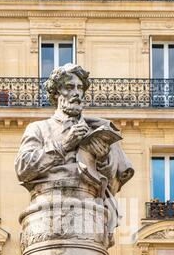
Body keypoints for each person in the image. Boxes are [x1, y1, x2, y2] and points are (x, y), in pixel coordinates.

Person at [15, 63, 134, 240]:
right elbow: (23, 168)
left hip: (89, 205)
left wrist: (102, 158)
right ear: (56, 94)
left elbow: (112, 183)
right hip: (47, 206)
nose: (76, 93)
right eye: (69, 87)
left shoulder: (97, 129)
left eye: (80, 88)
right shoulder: (39, 128)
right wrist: (64, 145)